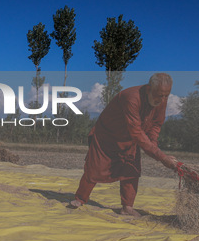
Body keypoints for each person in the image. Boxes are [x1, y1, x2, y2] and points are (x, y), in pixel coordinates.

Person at [70, 73, 178, 217]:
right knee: (94, 169)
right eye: (159, 95)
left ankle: (127, 207)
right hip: (107, 136)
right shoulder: (131, 98)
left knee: (131, 171)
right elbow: (136, 131)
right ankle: (80, 198)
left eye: (166, 96)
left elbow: (155, 125)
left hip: (131, 140)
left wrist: (154, 146)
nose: (163, 99)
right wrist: (161, 157)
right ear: (148, 89)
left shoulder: (161, 101)